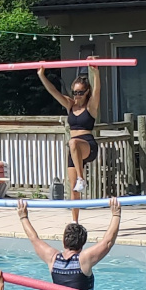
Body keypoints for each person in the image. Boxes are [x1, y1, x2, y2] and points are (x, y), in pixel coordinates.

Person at [16, 198, 120, 290]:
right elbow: (108, 242)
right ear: (82, 245)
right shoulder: (84, 259)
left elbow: (33, 238)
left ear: (63, 241)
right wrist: (116, 214)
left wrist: (23, 216)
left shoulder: (52, 258)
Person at [37, 66, 101, 201]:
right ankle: (74, 220)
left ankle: (81, 178)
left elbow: (97, 92)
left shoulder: (90, 106)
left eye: (80, 92)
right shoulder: (70, 105)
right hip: (74, 150)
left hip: (87, 145)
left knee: (72, 142)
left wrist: (96, 73)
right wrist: (41, 75)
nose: (77, 95)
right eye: (75, 92)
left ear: (86, 91)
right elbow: (53, 92)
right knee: (73, 189)